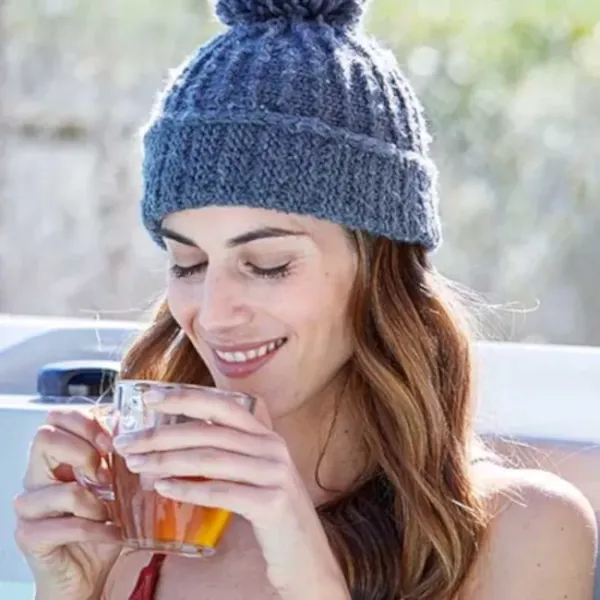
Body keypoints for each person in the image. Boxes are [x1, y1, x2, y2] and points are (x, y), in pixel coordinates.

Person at [13, 0, 597, 598]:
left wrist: (310, 575)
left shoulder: (524, 531)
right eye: (187, 263)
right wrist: (70, 592)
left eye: (268, 264)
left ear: (379, 270)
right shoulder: (143, 523)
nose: (212, 314)